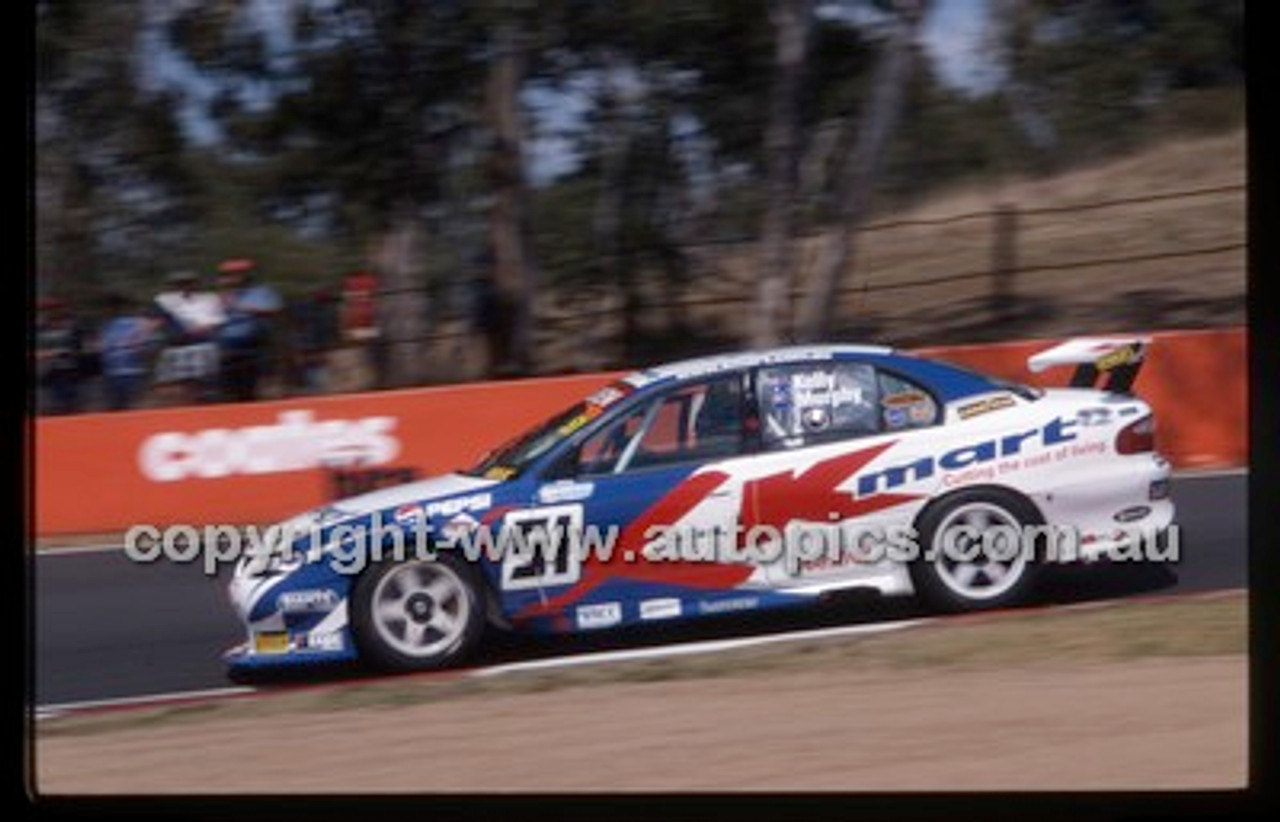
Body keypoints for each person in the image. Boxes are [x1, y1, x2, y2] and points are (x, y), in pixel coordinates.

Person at [214, 258, 282, 402]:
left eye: (237, 274)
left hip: (254, 345)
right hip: (227, 348)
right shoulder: (220, 296)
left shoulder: (261, 291)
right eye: (228, 275)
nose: (232, 278)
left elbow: (272, 310)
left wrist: (238, 305)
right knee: (229, 389)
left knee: (254, 387)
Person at [153, 270, 224, 403]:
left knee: (201, 383)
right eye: (178, 284)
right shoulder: (164, 302)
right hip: (174, 347)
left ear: (195, 285)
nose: (183, 287)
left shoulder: (208, 300)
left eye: (187, 283)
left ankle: (200, 408)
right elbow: (156, 321)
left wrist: (202, 327)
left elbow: (215, 322)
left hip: (201, 346)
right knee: (171, 384)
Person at [98, 293, 157, 411]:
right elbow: (103, 351)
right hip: (112, 376)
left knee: (134, 410)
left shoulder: (137, 323)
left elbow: (149, 348)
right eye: (109, 306)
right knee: (114, 412)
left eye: (115, 305)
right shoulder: (106, 326)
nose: (111, 309)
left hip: (134, 374)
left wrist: (140, 349)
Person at [36, 296, 85, 415]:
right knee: (53, 405)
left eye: (51, 309)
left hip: (68, 370)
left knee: (69, 404)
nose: (48, 312)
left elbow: (76, 348)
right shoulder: (41, 327)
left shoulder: (71, 325)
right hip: (48, 371)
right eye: (45, 310)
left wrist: (56, 352)